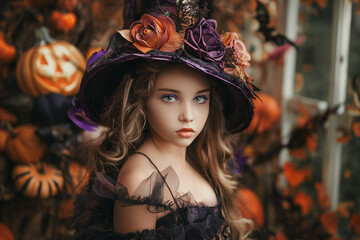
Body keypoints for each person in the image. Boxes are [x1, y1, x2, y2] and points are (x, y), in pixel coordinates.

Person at [69, 12, 256, 240]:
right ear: (142, 100)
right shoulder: (141, 181)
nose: (188, 116)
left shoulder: (198, 158)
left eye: (199, 99)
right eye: (169, 98)